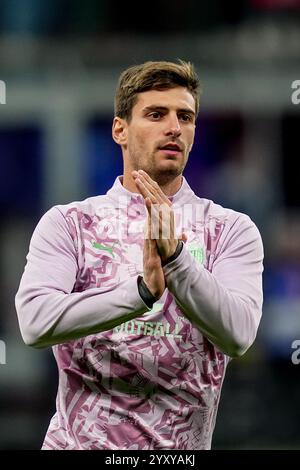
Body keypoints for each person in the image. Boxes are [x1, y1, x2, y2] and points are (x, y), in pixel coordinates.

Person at [15, 60, 264, 450]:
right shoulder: (70, 223)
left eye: (186, 116)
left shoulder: (230, 229)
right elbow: (35, 322)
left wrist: (177, 261)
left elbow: (238, 335)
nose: (174, 127)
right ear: (120, 130)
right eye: (155, 114)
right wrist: (141, 293)